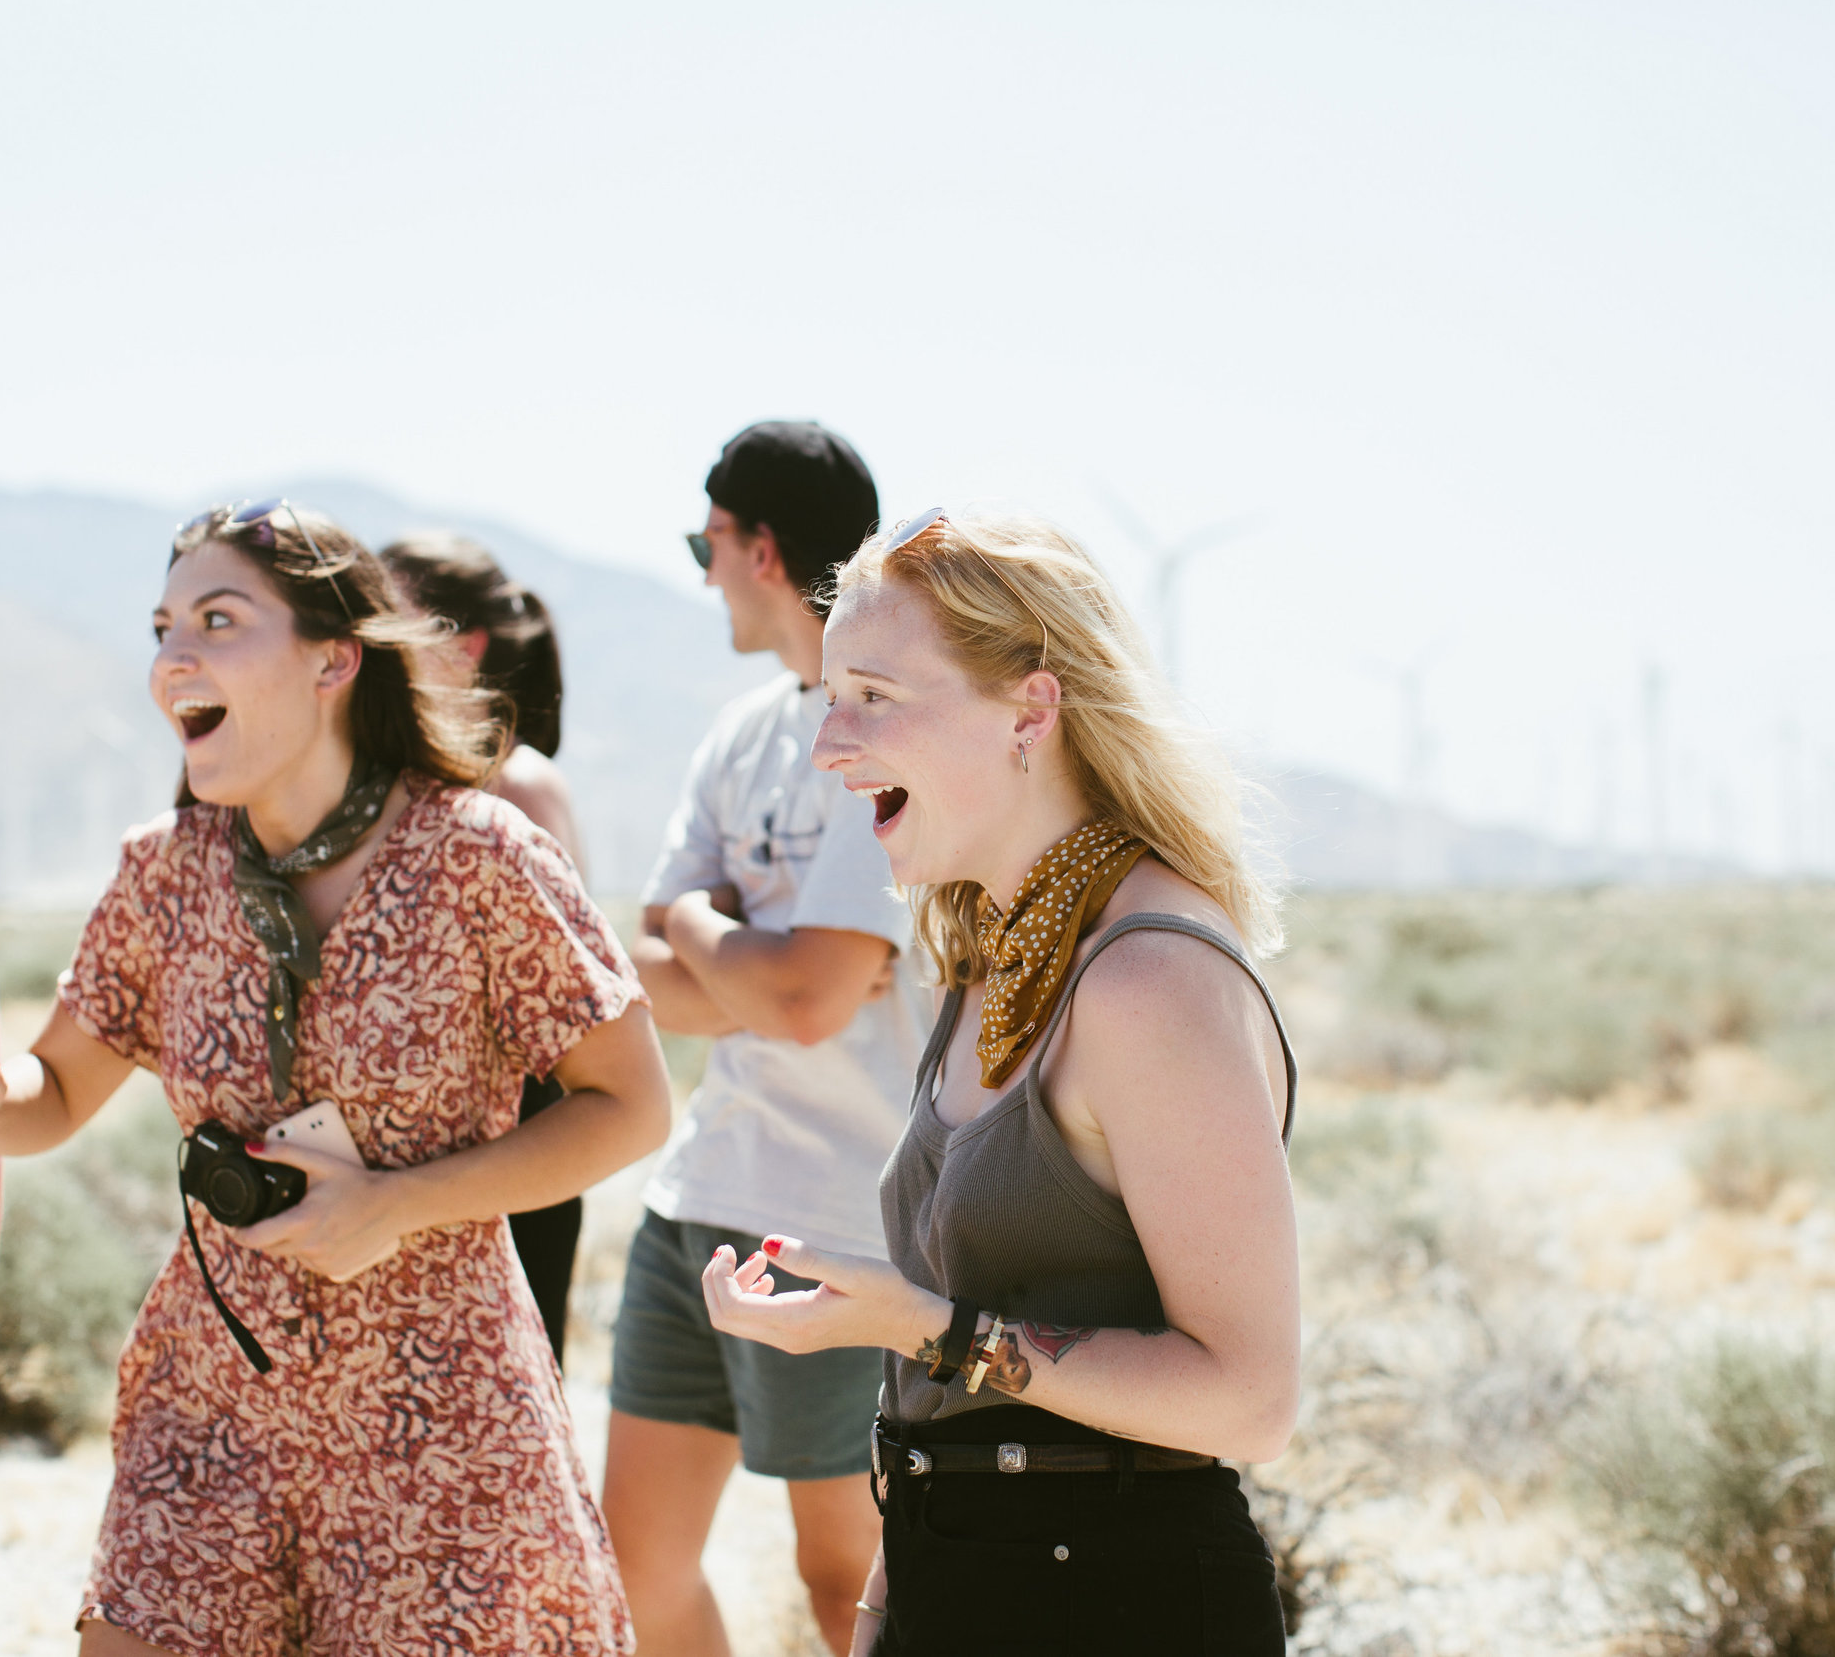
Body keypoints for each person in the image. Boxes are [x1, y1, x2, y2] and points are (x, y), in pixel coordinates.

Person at [0, 500, 671, 1656]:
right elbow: (51, 1092)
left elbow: (634, 1106)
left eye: (218, 619)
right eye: (163, 627)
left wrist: (402, 1201)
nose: (174, 657)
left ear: (332, 659)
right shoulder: (164, 876)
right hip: (215, 1392)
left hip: (438, 1413)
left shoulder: (481, 855)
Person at [700, 508, 1301, 1656]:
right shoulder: (989, 943)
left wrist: (924, 1324)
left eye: (873, 694)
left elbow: (1248, 1398)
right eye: (830, 696)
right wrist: (885, 1609)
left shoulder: (1150, 978)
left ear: (1029, 708)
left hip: (1117, 1604)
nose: (830, 743)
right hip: (963, 1581)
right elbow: (954, 1408)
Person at [611, 422, 923, 1656]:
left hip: (837, 1218)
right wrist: (739, 953)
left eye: (708, 543)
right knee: (631, 1559)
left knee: (842, 1568)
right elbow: (645, 978)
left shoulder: (887, 732)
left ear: (761, 547)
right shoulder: (738, 736)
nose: (701, 573)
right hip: (693, 1202)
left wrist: (705, 927)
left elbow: (807, 1000)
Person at [381, 530, 587, 1365]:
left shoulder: (522, 785)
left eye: (385, 619)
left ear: (464, 647)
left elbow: (570, 999)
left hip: (519, 1147)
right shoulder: (381, 784)